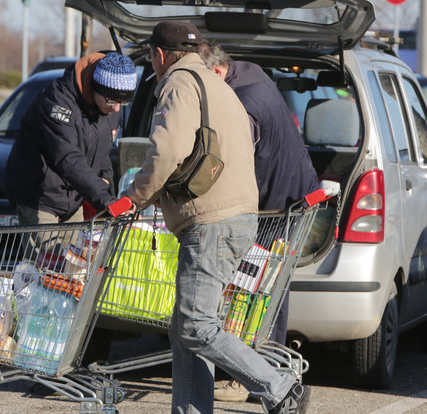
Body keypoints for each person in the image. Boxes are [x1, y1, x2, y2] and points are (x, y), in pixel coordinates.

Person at [126, 21, 312, 414]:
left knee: (196, 325)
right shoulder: (218, 84)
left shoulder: (179, 83)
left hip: (211, 222)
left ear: (159, 56)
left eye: (150, 58)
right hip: (238, 215)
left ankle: (279, 388)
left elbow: (167, 150)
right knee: (185, 329)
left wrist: (134, 198)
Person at [199, 41, 320, 403]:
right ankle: (265, 367)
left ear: (216, 71)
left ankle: (255, 373)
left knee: (260, 287)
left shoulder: (241, 103)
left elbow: (231, 159)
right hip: (291, 193)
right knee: (268, 284)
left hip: (277, 203)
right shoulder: (249, 72)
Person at [2, 52, 137, 226]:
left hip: (74, 201)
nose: (117, 108)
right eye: (113, 101)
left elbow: (103, 153)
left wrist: (105, 179)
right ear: (97, 87)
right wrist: (106, 200)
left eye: (123, 102)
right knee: (47, 254)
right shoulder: (57, 102)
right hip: (40, 199)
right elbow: (68, 157)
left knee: (74, 254)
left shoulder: (107, 109)